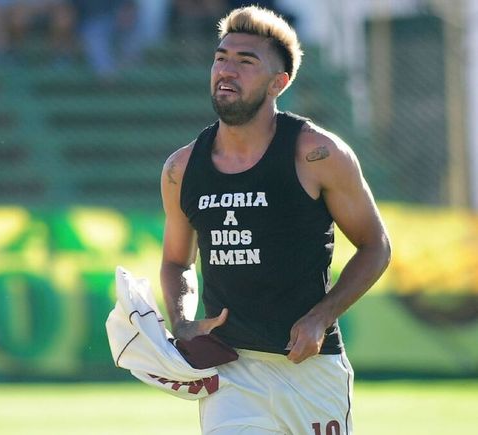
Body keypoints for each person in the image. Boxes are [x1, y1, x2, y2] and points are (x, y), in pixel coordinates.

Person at [159, 6, 390, 434]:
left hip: (311, 371)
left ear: (278, 82)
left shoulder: (317, 154)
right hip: (231, 374)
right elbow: (177, 262)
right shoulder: (180, 169)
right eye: (221, 57)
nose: (226, 70)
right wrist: (182, 322)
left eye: (246, 62)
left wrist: (321, 318)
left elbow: (376, 247)